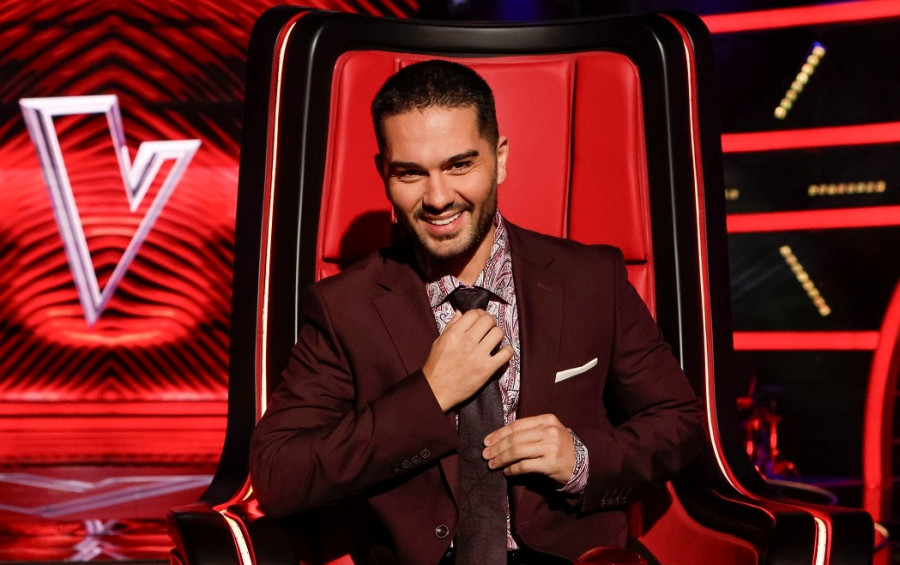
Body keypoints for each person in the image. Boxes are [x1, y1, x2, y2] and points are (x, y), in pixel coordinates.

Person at [250, 59, 704, 565]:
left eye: (459, 165)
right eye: (410, 173)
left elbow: (679, 423)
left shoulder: (590, 279)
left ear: (500, 158)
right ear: (384, 173)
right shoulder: (344, 308)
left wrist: (581, 458)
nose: (438, 197)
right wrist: (429, 395)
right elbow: (278, 474)